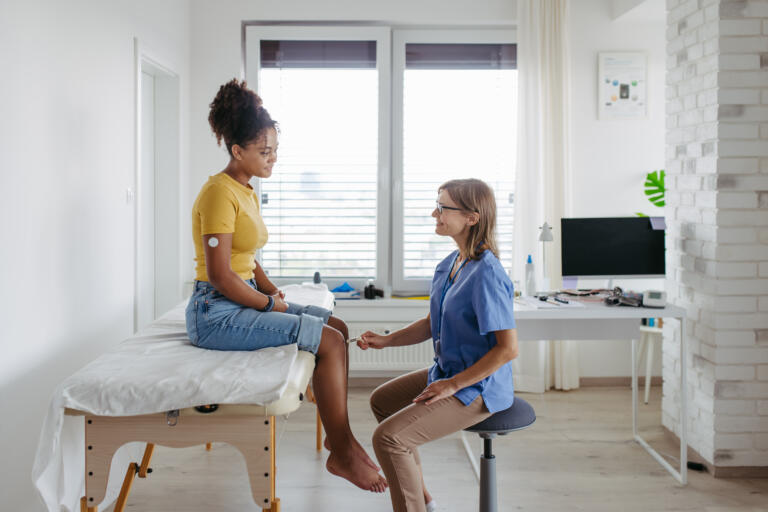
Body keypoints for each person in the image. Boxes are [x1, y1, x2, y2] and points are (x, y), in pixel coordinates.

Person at [185, 78, 386, 493]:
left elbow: (247, 257)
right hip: (215, 312)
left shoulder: (245, 190)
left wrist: (272, 289)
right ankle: (344, 452)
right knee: (327, 342)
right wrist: (265, 305)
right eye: (264, 151)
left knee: (338, 329)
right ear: (237, 150)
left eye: (275, 149)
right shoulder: (217, 193)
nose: (273, 158)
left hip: (238, 297)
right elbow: (221, 275)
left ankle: (338, 436)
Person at [358, 178, 519, 511]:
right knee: (382, 401)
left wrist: (453, 385)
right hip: (448, 373)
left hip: (479, 389)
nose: (435, 213)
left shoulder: (488, 274)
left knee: (389, 439)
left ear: (472, 217)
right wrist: (386, 341)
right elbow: (434, 323)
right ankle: (423, 499)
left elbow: (507, 349)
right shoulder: (450, 264)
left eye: (444, 208)